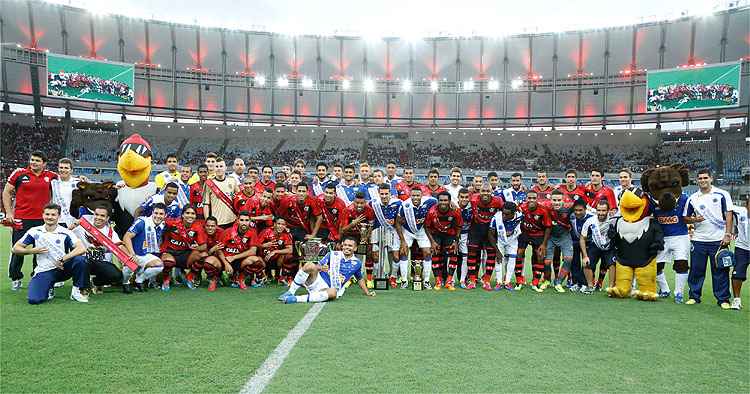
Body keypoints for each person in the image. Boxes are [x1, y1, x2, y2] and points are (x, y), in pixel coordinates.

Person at [12, 203, 89, 304]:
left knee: (81, 260)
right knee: (34, 300)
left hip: (62, 268)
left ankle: (77, 291)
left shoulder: (66, 232)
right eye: (47, 214)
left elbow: (81, 248)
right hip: (44, 270)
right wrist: (32, 251)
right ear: (43, 215)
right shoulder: (35, 231)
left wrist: (63, 259)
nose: (50, 217)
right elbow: (15, 248)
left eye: (53, 215)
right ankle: (49, 287)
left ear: (59, 216)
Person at [4, 151, 59, 291]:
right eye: (32, 159)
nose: (34, 162)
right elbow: (6, 192)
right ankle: (16, 277)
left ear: (44, 163)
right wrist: (9, 212)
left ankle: (37, 275)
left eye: (37, 160)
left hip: (43, 220)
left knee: (41, 250)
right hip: (21, 219)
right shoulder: (19, 173)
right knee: (18, 249)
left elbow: (67, 180)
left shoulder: (50, 176)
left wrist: (81, 178)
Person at [684, 169, 734, 308]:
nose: (702, 180)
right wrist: (694, 219)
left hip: (718, 239)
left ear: (711, 178)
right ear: (696, 180)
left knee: (720, 270)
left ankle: (723, 299)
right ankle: (694, 296)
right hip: (699, 239)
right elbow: (685, 218)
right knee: (696, 270)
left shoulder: (722, 194)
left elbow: (728, 214)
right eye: (700, 178)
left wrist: (727, 234)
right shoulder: (692, 198)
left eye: (705, 177)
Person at [277, 236, 376, 303]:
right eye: (345, 245)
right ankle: (290, 292)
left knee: (333, 293)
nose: (347, 247)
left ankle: (295, 299)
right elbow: (317, 266)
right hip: (316, 281)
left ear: (355, 248)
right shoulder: (333, 254)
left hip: (329, 288)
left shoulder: (357, 263)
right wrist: (320, 268)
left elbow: (359, 278)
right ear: (342, 245)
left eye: (350, 246)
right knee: (309, 265)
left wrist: (367, 292)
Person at [69, 205, 124, 294]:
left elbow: (119, 247)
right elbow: (65, 235)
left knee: (117, 276)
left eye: (102, 216)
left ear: (107, 218)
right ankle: (82, 286)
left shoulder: (110, 232)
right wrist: (73, 226)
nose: (98, 217)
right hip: (83, 261)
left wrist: (130, 256)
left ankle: (95, 282)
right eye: (96, 214)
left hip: (100, 262)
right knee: (82, 262)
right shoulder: (82, 226)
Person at [652, 186, 690, 303]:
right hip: (663, 239)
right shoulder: (655, 206)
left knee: (681, 264)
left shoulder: (682, 200)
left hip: (680, 237)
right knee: (656, 266)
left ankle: (679, 293)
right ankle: (665, 289)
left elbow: (682, 193)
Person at [396, 187, 437, 289]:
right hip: (408, 231)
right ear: (410, 195)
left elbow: (439, 200)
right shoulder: (405, 205)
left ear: (421, 196)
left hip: (421, 230)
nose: (415, 197)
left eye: (417, 195)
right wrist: (402, 241)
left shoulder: (429, 201)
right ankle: (404, 280)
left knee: (427, 252)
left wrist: (452, 203)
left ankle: (426, 281)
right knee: (404, 252)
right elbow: (397, 222)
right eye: (413, 195)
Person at [121, 203, 167, 293]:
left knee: (159, 265)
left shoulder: (162, 225)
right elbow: (126, 237)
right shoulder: (142, 222)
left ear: (165, 215)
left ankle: (139, 281)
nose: (158, 216)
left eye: (161, 214)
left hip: (145, 254)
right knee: (131, 265)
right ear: (152, 213)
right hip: (133, 253)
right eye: (156, 213)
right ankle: (125, 282)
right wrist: (132, 254)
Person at [467, 183, 504, 290]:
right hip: (475, 229)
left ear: (491, 192)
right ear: (480, 192)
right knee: (472, 254)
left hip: (490, 231)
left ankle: (486, 280)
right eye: (483, 191)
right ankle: (472, 279)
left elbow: (505, 212)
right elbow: (461, 201)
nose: (485, 193)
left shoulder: (498, 201)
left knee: (491, 255)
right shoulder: (473, 199)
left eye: (488, 191)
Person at [160, 205, 206, 291]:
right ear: (182, 215)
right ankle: (166, 279)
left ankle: (190, 276)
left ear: (196, 216)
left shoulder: (198, 227)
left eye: (193, 213)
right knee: (168, 262)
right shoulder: (172, 223)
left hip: (185, 254)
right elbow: (158, 221)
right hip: (170, 252)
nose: (190, 215)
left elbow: (204, 246)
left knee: (203, 255)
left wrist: (194, 248)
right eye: (187, 213)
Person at [424, 192, 463, 290]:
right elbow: (427, 227)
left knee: (453, 253)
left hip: (450, 234)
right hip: (436, 234)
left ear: (450, 201)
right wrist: (432, 242)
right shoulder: (432, 211)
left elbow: (459, 226)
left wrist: (456, 241)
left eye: (445, 200)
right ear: (438, 201)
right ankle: (438, 280)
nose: (443, 202)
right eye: (441, 200)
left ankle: (449, 281)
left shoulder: (456, 211)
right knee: (436, 253)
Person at [217, 211, 264, 289]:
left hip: (241, 261)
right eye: (242, 220)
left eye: (247, 220)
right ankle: (216, 278)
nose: (244, 223)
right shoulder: (228, 232)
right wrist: (226, 263)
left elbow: (253, 251)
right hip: (227, 260)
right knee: (211, 263)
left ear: (250, 221)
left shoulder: (252, 233)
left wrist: (234, 257)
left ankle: (241, 278)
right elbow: (218, 250)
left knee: (256, 261)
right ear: (237, 220)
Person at [516, 190, 552, 291]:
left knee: (539, 256)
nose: (531, 200)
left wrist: (544, 244)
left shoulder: (543, 210)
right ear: (526, 198)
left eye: (534, 198)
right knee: (519, 253)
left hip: (538, 235)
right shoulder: (522, 207)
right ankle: (519, 280)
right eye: (529, 198)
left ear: (537, 199)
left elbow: (548, 227)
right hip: (525, 234)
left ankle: (535, 281)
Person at [370, 183, 403, 288]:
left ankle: (393, 276)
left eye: (386, 194)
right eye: (382, 194)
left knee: (396, 256)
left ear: (390, 193)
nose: (384, 196)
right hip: (377, 231)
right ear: (379, 194)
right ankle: (379, 275)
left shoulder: (398, 203)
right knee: (376, 257)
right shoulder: (373, 203)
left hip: (392, 231)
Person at [339, 192, 375, 286]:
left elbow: (371, 226)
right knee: (347, 253)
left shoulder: (369, 210)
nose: (359, 205)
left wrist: (366, 238)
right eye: (357, 203)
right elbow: (343, 230)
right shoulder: (347, 210)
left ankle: (369, 279)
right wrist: (353, 223)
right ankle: (347, 278)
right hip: (349, 235)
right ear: (353, 202)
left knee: (369, 252)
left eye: (361, 203)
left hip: (363, 235)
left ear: (365, 202)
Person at [579, 200, 615, 294]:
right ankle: (590, 286)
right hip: (595, 245)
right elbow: (582, 238)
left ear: (608, 211)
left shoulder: (614, 219)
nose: (601, 213)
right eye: (599, 210)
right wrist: (585, 255)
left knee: (612, 264)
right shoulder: (590, 221)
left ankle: (611, 288)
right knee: (586, 263)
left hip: (609, 247)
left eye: (603, 211)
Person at [542, 190, 574, 293]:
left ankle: (559, 282)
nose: (556, 202)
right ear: (550, 200)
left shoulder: (568, 208)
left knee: (568, 258)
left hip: (565, 236)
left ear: (563, 200)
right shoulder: (545, 207)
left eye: (559, 200)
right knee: (547, 261)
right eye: (554, 200)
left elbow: (582, 206)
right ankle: (546, 281)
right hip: (551, 237)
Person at [488, 202, 522, 291]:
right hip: (500, 240)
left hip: (513, 241)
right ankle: (499, 282)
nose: (504, 216)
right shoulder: (496, 218)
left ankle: (507, 282)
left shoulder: (520, 216)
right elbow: (490, 234)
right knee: (499, 259)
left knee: (512, 259)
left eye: (507, 214)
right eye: (503, 213)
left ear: (514, 213)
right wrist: (497, 251)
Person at [256, 217, 294, 285]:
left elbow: (290, 250)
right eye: (278, 224)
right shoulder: (266, 231)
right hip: (264, 258)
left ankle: (281, 276)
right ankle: (260, 276)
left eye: (283, 224)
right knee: (256, 259)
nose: (280, 226)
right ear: (274, 224)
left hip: (277, 259)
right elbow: (254, 246)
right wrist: (264, 245)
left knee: (289, 256)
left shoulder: (286, 234)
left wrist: (275, 251)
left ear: (285, 226)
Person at [202, 157, 239, 229]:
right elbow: (206, 204)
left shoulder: (232, 180)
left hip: (232, 220)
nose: (219, 168)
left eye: (221, 166)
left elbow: (239, 197)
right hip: (217, 222)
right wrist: (207, 221)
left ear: (225, 168)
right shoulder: (209, 183)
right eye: (217, 166)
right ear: (214, 168)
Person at [569, 199, 593, 291]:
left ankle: (584, 283)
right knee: (574, 262)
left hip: (588, 242)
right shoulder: (571, 216)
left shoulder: (592, 217)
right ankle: (575, 283)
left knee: (586, 262)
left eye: (580, 210)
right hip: (575, 241)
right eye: (576, 210)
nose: (577, 213)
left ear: (585, 209)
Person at [730, 196, 749, 310]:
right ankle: (736, 300)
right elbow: (727, 207)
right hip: (742, 248)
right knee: (737, 274)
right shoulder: (740, 211)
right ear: (746, 205)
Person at [50, 158, 80, 228]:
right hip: (56, 220)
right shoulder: (53, 182)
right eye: (61, 167)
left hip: (73, 221)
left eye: (66, 168)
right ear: (58, 169)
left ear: (71, 170)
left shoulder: (77, 183)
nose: (63, 170)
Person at [200, 216, 228, 292]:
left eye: (212, 226)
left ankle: (219, 276)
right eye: (208, 226)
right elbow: (204, 252)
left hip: (221, 258)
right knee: (201, 256)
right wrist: (212, 249)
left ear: (216, 226)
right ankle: (197, 276)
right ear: (204, 226)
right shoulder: (201, 232)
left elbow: (221, 251)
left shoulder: (222, 232)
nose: (210, 228)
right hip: (208, 257)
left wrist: (226, 264)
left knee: (209, 260)